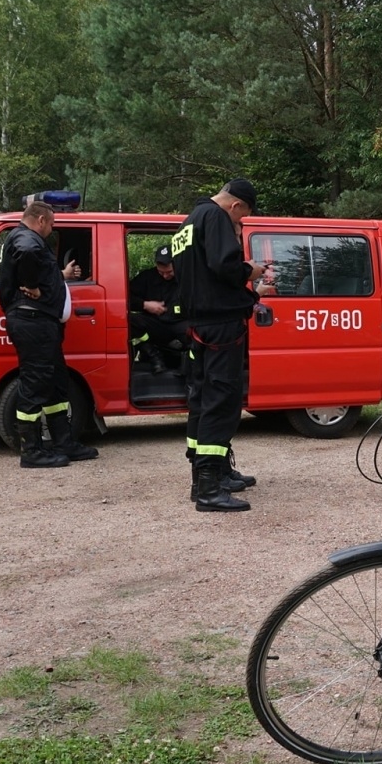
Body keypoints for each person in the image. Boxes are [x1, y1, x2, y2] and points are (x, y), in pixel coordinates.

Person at [174, 177, 264, 513]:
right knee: (220, 399)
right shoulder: (214, 217)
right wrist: (249, 271)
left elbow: (202, 277)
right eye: (241, 218)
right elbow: (224, 266)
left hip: (200, 324)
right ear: (235, 205)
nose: (239, 224)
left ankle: (210, 473)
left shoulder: (189, 222)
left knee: (203, 397)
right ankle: (209, 487)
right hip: (220, 327)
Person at [0, 199, 99, 468]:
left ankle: (63, 442)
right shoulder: (26, 239)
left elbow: (42, 269)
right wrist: (32, 285)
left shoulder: (27, 239)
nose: (52, 228)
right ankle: (31, 451)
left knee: (55, 381)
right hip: (32, 321)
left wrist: (59, 275)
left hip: (41, 322)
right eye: (51, 223)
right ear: (40, 220)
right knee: (35, 382)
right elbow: (28, 253)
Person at [127, 245, 189, 374]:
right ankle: (153, 356)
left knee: (203, 332)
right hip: (157, 325)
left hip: (182, 324)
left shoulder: (189, 278)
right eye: (161, 272)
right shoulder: (147, 277)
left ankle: (190, 369)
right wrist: (145, 305)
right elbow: (124, 297)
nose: (165, 276)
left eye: (169, 272)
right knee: (129, 321)